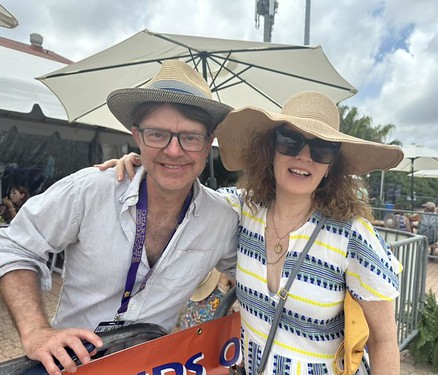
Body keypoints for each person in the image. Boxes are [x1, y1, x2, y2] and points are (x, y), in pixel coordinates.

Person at [107, 91, 404, 374]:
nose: (304, 156)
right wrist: (145, 168)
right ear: (271, 150)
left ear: (331, 166)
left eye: (322, 149)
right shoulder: (242, 210)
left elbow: (383, 341)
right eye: (290, 141)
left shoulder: (354, 235)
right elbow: (183, 190)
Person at [0, 60, 238, 375]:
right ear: (136, 136)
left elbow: (258, 278)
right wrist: (36, 331)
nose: (173, 150)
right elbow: (14, 246)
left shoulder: (221, 217)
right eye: (158, 135)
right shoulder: (90, 189)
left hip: (155, 365)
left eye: (190, 138)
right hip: (74, 366)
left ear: (208, 146)